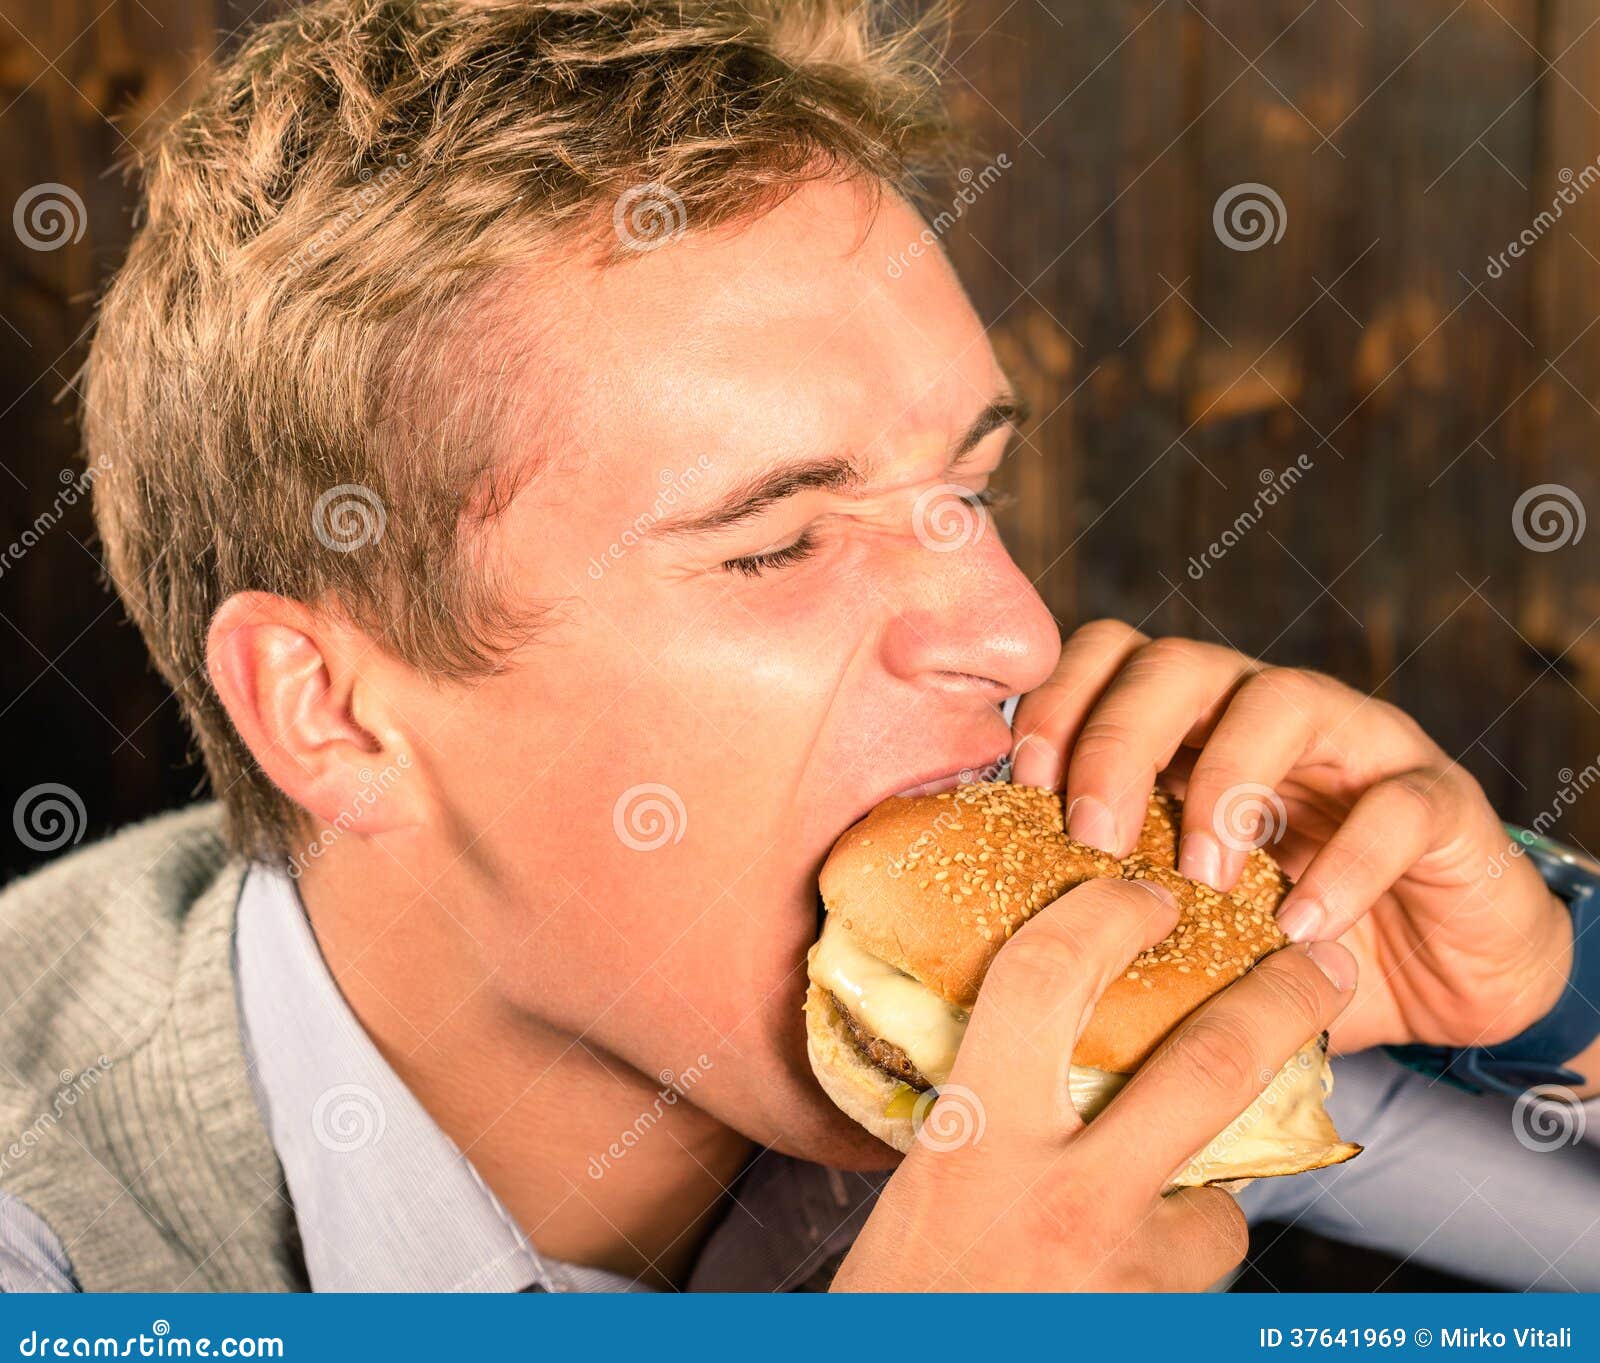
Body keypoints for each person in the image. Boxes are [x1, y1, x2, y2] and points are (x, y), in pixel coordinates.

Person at [1, 0, 1596, 1294]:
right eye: (776, 540)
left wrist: (1544, 997)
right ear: (332, 712)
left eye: (969, 483)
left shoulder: (1107, 987)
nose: (1015, 631)